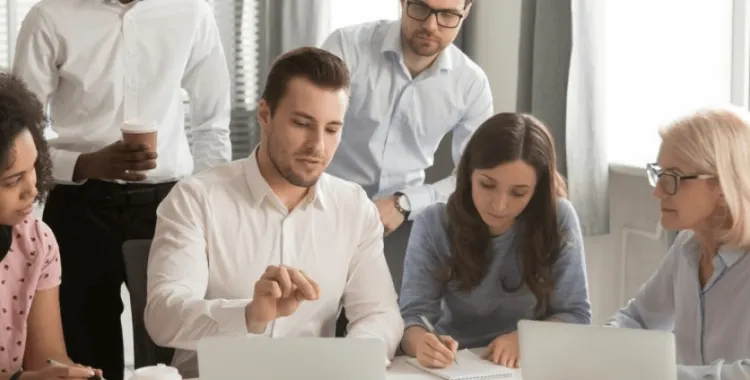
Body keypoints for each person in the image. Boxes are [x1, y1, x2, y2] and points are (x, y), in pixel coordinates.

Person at [143, 47, 403, 378]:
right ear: (265, 115)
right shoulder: (196, 198)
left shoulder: (353, 208)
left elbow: (381, 314)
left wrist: (352, 362)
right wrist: (248, 315)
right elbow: (163, 316)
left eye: (331, 129)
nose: (317, 147)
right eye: (302, 124)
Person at [11, 0, 232, 378]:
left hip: (169, 208)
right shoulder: (49, 16)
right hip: (79, 207)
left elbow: (213, 122)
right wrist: (86, 163)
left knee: (171, 353)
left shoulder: (192, 12)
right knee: (84, 358)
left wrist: (205, 206)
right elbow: (21, 130)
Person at [321, 0, 493, 297]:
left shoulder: (471, 84)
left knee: (393, 325)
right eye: (420, 8)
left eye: (447, 15)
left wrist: (405, 203)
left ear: (466, 12)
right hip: (325, 210)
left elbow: (474, 179)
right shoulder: (346, 47)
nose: (430, 24)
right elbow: (309, 128)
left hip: (403, 225)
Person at [399, 113, 591, 369]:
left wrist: (527, 339)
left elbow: (576, 316)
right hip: (456, 365)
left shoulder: (559, 218)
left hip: (528, 364)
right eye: (487, 185)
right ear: (468, 175)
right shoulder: (434, 223)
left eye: (518, 193)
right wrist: (422, 342)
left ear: (538, 190)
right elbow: (412, 316)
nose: (499, 205)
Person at [606, 106, 750, 380]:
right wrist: (599, 348)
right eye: (659, 174)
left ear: (721, 187)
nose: (658, 190)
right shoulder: (688, 246)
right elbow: (639, 318)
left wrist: (660, 375)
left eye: (673, 178)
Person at [0, 73, 105, 380]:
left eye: (32, 168)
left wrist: (66, 375)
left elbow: (44, 359)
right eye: (12, 180)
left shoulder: (35, 241)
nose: (32, 189)